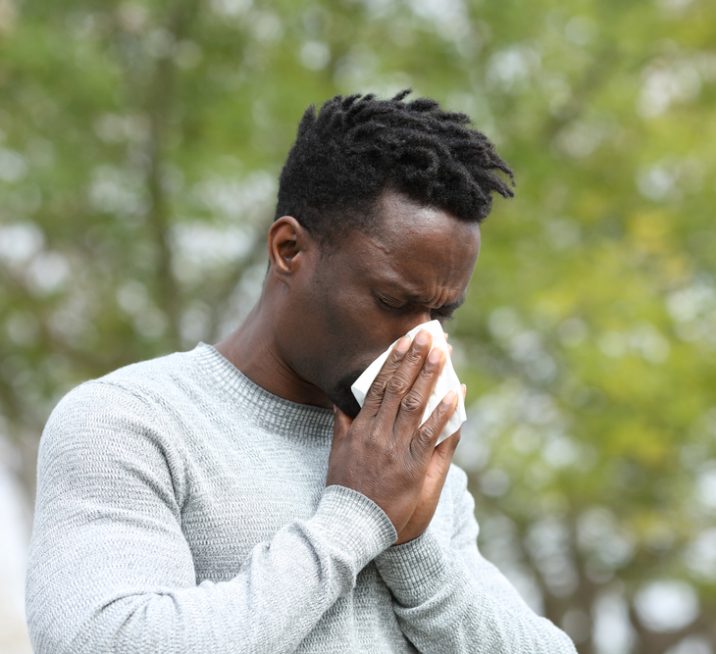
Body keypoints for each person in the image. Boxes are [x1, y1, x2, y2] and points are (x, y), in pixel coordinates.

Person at [26, 91, 576, 653]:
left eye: (439, 314)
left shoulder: (410, 461)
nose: (422, 343)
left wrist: (413, 550)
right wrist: (355, 519)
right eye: (391, 300)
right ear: (289, 249)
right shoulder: (130, 423)